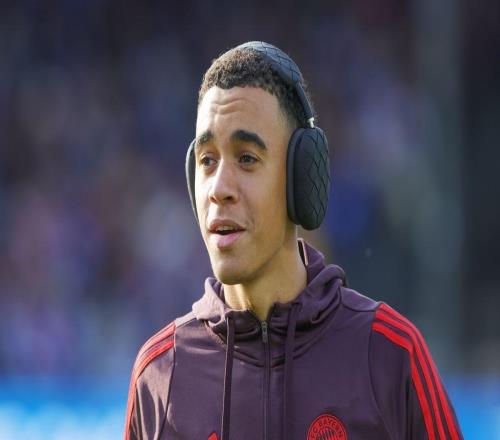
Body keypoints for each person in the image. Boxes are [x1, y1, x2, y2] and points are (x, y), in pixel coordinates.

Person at [124, 41, 463, 440]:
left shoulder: (391, 355)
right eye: (207, 160)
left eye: (247, 158)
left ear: (301, 178)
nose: (218, 188)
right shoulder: (159, 376)